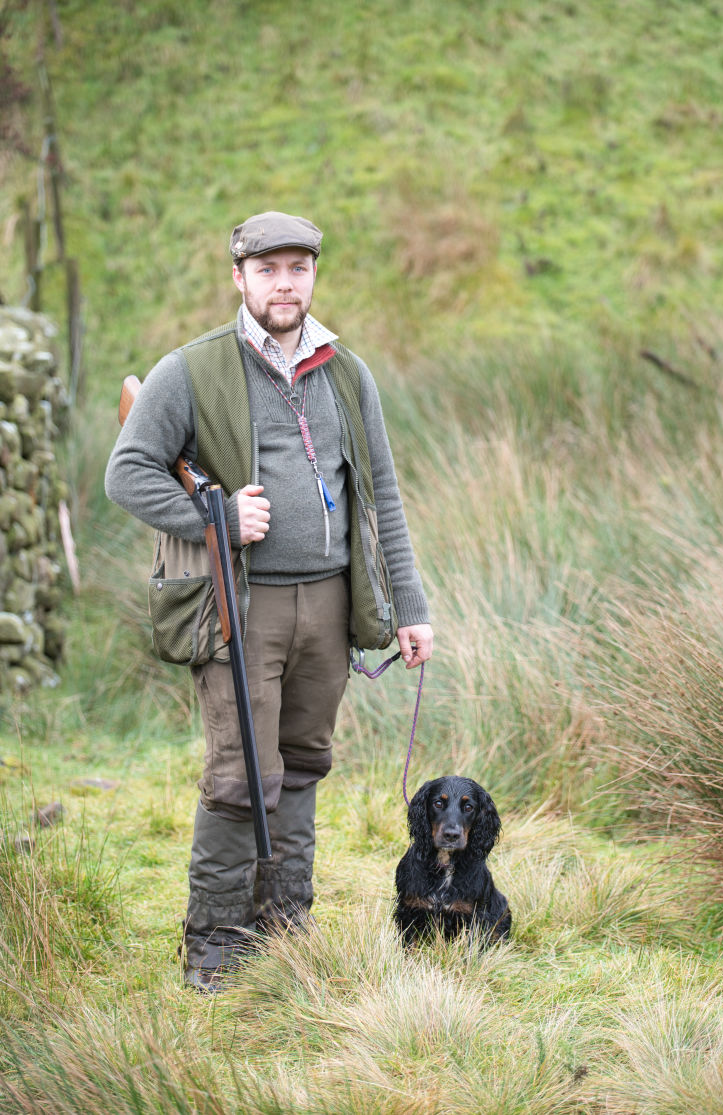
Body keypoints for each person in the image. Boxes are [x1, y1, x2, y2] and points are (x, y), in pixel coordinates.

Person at [105, 210, 433, 991]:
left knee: (303, 764)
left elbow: (382, 495)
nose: (284, 285)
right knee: (238, 772)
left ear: (313, 274)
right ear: (239, 278)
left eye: (298, 269)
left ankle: (286, 925)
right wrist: (215, 516)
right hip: (237, 607)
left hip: (328, 607)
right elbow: (128, 472)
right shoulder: (191, 370)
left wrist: (411, 607)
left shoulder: (346, 371)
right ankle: (215, 942)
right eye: (268, 270)